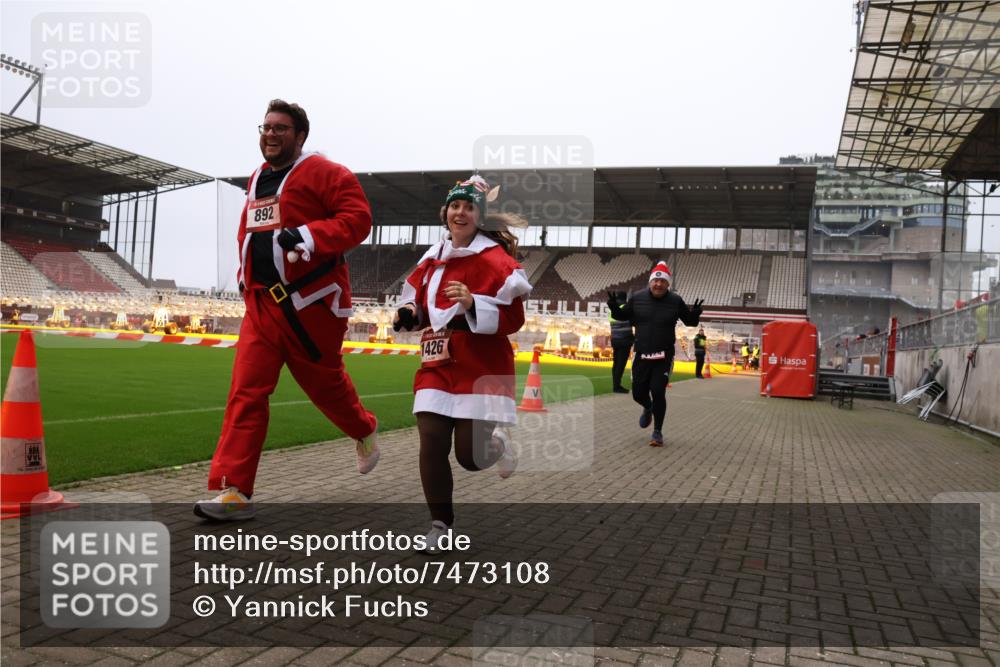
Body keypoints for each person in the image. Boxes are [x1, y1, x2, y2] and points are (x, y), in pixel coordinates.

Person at [195, 99, 379, 521]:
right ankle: (234, 490)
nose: (271, 134)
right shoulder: (258, 177)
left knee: (326, 387)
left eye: (281, 128)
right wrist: (244, 277)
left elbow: (358, 219)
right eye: (265, 127)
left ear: (300, 136)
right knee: (246, 392)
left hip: (310, 306)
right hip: (261, 306)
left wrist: (309, 236)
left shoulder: (327, 173)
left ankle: (364, 427)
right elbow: (249, 230)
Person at [393, 175, 531, 553]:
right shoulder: (431, 258)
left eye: (468, 207)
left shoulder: (496, 260)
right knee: (431, 442)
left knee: (470, 457)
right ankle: (441, 525)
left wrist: (473, 304)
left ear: (479, 216)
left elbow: (514, 319)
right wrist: (408, 312)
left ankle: (498, 445)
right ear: (446, 212)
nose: (460, 212)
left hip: (480, 362)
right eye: (455, 205)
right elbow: (417, 303)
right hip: (437, 362)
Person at [607, 261, 702, 447]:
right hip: (642, 354)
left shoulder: (675, 301)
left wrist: (695, 314)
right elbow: (622, 316)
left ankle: (657, 432)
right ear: (650, 282)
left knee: (658, 391)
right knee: (637, 393)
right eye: (655, 281)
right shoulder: (638, 298)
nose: (658, 284)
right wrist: (613, 308)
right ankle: (647, 407)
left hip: (663, 356)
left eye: (662, 281)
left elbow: (690, 322)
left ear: (668, 284)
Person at [609, 294, 634, 393]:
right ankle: (617, 386)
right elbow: (632, 321)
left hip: (615, 339)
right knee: (621, 363)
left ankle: (615, 385)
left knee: (616, 363)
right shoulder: (626, 307)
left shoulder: (612, 308)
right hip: (625, 340)